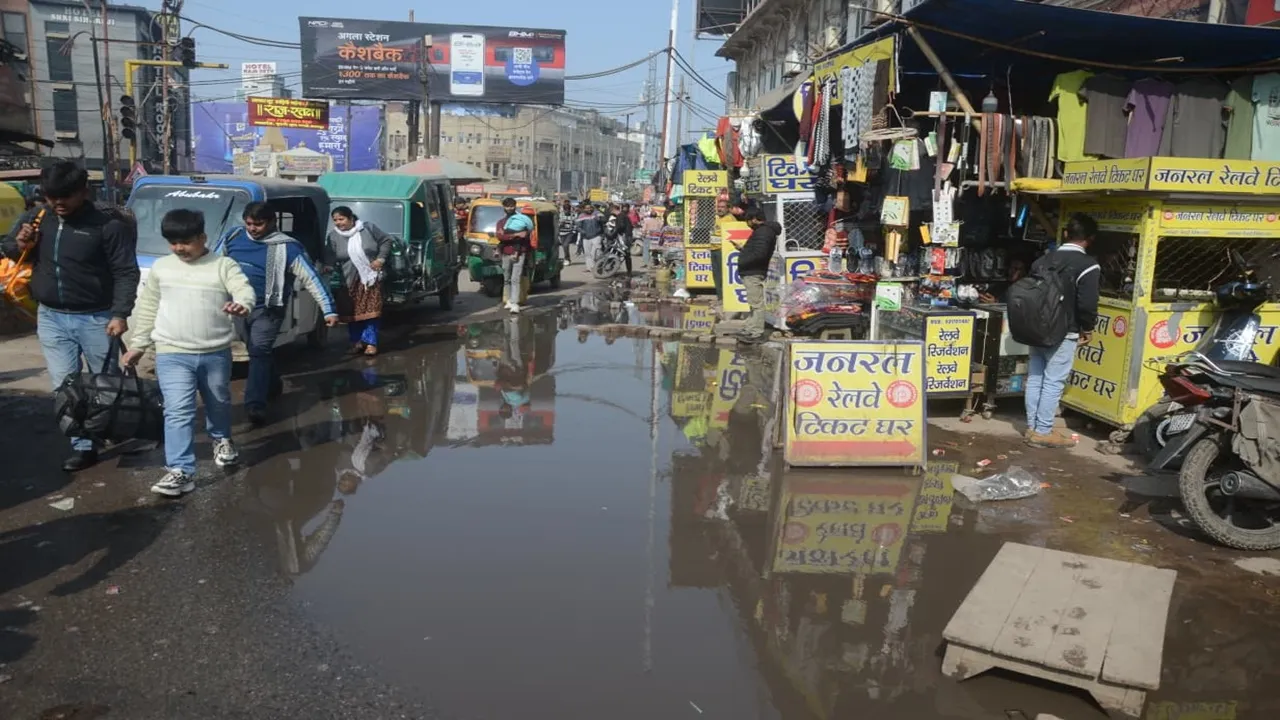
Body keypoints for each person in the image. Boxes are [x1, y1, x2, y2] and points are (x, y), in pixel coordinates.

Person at [0, 161, 139, 471]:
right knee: (65, 387)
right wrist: (19, 243)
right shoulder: (37, 219)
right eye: (51, 197)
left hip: (97, 319)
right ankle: (83, 445)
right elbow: (9, 249)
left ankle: (113, 427)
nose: (57, 203)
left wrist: (120, 313)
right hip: (51, 318)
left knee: (106, 384)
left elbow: (126, 272)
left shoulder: (108, 226)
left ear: (83, 192)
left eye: (65, 197)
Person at [121, 209, 255, 496]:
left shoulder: (223, 265)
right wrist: (138, 345)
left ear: (202, 237)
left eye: (185, 242)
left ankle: (221, 439)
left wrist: (242, 304)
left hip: (216, 352)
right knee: (178, 411)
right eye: (173, 242)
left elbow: (243, 290)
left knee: (218, 401)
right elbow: (148, 308)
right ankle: (181, 470)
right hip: (171, 352)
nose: (179, 248)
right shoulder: (161, 268)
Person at [223, 202, 337, 427]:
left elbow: (311, 278)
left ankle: (255, 405)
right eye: (249, 224)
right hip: (239, 307)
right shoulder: (234, 237)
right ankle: (273, 384)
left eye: (258, 224)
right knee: (256, 351)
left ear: (272, 222)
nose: (253, 229)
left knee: (258, 351)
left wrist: (328, 309)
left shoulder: (288, 248)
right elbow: (219, 266)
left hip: (269, 309)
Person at [1024, 214, 1101, 449]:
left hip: (1035, 327)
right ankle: (1043, 430)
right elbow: (1087, 304)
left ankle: (1031, 427)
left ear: (1066, 234)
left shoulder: (1042, 261)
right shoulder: (1088, 266)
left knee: (1036, 377)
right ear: (1090, 239)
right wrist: (1087, 327)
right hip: (1064, 330)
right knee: (1054, 381)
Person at [326, 206, 392, 356]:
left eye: (341, 219)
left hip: (371, 278)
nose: (338, 223)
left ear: (351, 218)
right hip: (348, 280)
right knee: (352, 314)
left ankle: (370, 343)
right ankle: (356, 342)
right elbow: (329, 255)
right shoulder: (333, 236)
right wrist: (328, 267)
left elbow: (386, 240)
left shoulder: (367, 228)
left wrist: (380, 259)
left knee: (371, 312)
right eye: (335, 220)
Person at [733, 206, 781, 344]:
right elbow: (758, 250)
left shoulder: (764, 232)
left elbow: (760, 254)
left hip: (753, 271)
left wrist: (744, 259)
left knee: (757, 304)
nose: (748, 223)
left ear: (754, 219)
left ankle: (756, 333)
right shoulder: (762, 232)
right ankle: (750, 328)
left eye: (749, 220)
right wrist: (743, 250)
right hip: (752, 270)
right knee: (753, 303)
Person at [496, 197, 534, 313]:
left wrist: (509, 235)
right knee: (506, 278)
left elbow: (526, 235)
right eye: (507, 206)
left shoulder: (522, 220)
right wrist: (516, 234)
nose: (509, 208)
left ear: (515, 206)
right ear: (503, 207)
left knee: (515, 279)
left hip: (519, 253)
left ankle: (515, 303)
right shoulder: (501, 222)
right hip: (506, 253)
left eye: (512, 206)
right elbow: (500, 237)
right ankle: (508, 300)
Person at [576, 201, 605, 271]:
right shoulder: (581, 216)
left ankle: (598, 265)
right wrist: (583, 232)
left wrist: (599, 217)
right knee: (587, 253)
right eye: (587, 208)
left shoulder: (597, 213)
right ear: (584, 209)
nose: (589, 209)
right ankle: (590, 268)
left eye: (590, 208)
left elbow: (604, 220)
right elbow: (578, 227)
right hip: (586, 237)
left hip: (596, 236)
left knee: (596, 252)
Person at [556, 199, 577, 264]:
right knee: (564, 246)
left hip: (570, 232)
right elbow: (557, 223)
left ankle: (566, 259)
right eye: (565, 209)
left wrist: (574, 231)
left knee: (565, 245)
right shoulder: (560, 214)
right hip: (561, 232)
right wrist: (560, 224)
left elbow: (576, 223)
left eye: (568, 208)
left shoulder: (573, 214)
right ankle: (568, 258)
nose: (567, 210)